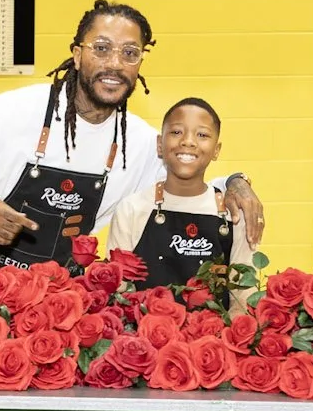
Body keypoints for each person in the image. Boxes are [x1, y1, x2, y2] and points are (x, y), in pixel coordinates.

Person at [0, 0, 263, 270]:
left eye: (130, 53)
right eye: (101, 49)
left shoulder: (137, 140)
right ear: (76, 54)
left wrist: (235, 181)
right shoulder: (12, 112)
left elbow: (190, 185)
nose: (115, 64)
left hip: (63, 310)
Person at [105, 96, 256, 301]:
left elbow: (244, 298)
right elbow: (117, 293)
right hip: (143, 332)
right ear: (160, 144)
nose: (188, 141)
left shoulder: (236, 213)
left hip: (214, 332)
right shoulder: (132, 209)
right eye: (176, 132)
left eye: (202, 134)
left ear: (216, 150)